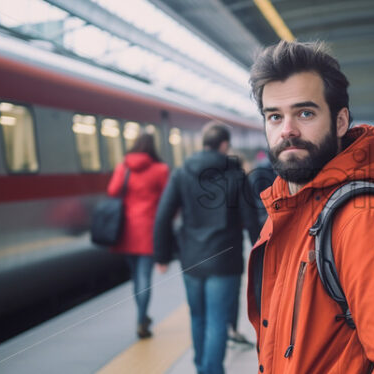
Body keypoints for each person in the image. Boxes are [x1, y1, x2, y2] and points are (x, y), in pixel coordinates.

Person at [247, 40, 374, 373]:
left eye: (304, 113)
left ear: (340, 122)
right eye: (275, 116)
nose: (287, 130)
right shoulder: (285, 211)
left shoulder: (367, 220)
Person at [153, 123, 261, 374]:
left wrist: (161, 256)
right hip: (225, 260)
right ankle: (211, 370)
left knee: (197, 317)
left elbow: (163, 216)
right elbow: (251, 220)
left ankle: (202, 367)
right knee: (217, 320)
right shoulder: (235, 174)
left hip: (192, 259)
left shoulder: (182, 172)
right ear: (224, 145)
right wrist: (262, 253)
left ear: (204, 143)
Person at [106, 133, 169, 339]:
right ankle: (141, 320)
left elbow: (113, 191)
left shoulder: (123, 167)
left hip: (126, 230)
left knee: (136, 278)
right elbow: (167, 200)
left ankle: (142, 315)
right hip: (149, 230)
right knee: (144, 278)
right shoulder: (160, 169)